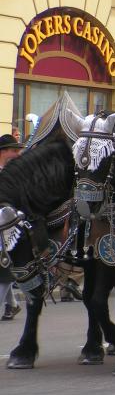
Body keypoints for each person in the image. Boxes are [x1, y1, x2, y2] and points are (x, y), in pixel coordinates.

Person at [0, 134, 23, 320]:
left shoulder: (13, 173)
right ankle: (13, 304)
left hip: (9, 229)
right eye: (14, 151)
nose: (18, 155)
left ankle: (9, 304)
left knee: (4, 267)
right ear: (3, 152)